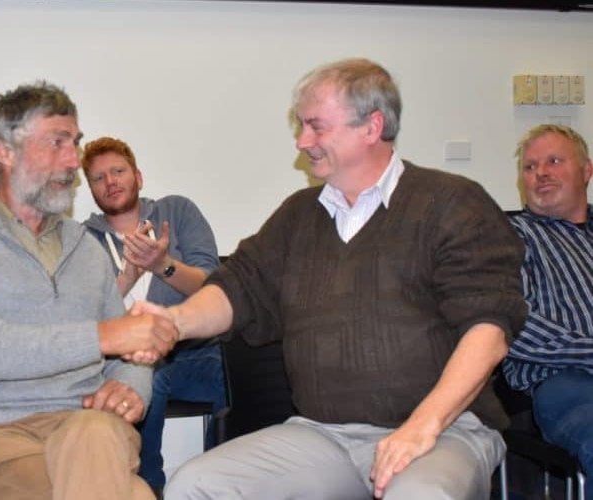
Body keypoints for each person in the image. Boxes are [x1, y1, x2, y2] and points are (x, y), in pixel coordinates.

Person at [140, 58, 527, 500]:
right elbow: (236, 288)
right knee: (196, 486)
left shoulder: (452, 202)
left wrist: (422, 427)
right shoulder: (298, 216)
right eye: (301, 127)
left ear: (371, 126)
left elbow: (489, 330)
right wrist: (172, 323)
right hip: (325, 435)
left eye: (316, 127)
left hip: (445, 429)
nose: (302, 142)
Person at [0, 81, 179, 500]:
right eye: (57, 143)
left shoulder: (85, 247)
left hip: (90, 425)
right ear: (4, 151)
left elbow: (127, 358)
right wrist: (106, 336)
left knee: (93, 432)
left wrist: (131, 386)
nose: (73, 161)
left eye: (75, 144)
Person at [81, 136, 225, 497]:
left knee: (239, 368)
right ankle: (147, 489)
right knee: (146, 376)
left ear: (138, 177)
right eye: (99, 178)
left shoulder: (177, 212)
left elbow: (212, 285)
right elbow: (84, 318)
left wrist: (162, 265)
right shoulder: (81, 240)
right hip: (125, 361)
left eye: (118, 171)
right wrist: (128, 275)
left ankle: (220, 483)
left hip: (193, 353)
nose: (110, 182)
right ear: (91, 191)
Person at [501, 124, 593, 499]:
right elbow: (513, 320)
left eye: (554, 161)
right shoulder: (510, 236)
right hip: (563, 381)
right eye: (530, 166)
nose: (540, 173)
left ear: (586, 170)